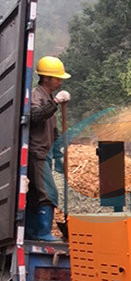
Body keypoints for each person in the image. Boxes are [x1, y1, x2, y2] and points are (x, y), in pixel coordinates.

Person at [26, 56, 71, 242]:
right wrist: (55, 103)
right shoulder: (37, 95)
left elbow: (52, 130)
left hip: (46, 153)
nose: (60, 81)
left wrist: (61, 149)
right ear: (46, 78)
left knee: (36, 194)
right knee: (47, 192)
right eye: (57, 78)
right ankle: (43, 232)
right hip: (37, 152)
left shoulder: (49, 98)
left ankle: (30, 230)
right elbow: (35, 116)